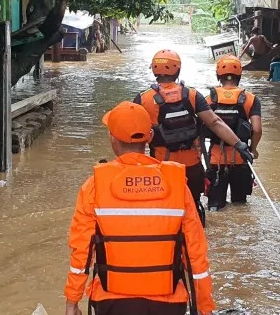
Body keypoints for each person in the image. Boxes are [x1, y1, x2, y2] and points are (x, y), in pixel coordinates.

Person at [64, 101, 216, 315]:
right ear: (150, 137)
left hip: (112, 304)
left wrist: (72, 301)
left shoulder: (94, 186)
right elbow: (195, 253)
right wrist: (204, 307)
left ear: (112, 138)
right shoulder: (177, 185)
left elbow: (82, 252)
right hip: (169, 304)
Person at [134, 49, 253, 223]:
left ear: (154, 69)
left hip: (161, 169)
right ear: (178, 70)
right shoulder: (192, 95)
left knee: (164, 212)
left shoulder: (143, 99)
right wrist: (239, 145)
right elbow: (215, 123)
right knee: (193, 212)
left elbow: (132, 135)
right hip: (192, 169)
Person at [204, 55, 262, 211]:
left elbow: (200, 130)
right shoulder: (251, 99)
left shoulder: (208, 99)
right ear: (239, 75)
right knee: (240, 206)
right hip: (241, 160)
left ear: (218, 75)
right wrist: (253, 150)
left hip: (216, 160)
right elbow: (256, 129)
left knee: (215, 209)